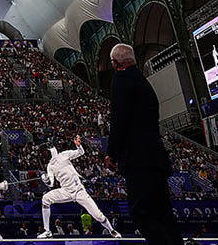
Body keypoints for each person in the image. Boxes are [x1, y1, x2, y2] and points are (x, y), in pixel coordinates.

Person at [105, 43, 182, 245]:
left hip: (138, 159)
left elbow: (119, 118)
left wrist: (111, 152)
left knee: (141, 212)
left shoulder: (121, 79)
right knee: (164, 214)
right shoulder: (143, 82)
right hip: (156, 157)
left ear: (115, 63)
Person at [36, 137, 120, 239]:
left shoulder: (64, 155)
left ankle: (112, 230)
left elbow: (81, 152)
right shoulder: (50, 166)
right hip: (66, 191)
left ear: (51, 150)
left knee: (98, 215)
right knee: (46, 199)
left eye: (45, 152)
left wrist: (78, 145)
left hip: (79, 191)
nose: (44, 154)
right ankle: (47, 231)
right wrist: (45, 179)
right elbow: (51, 184)